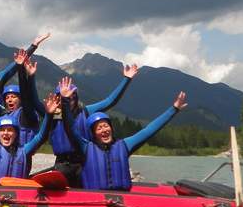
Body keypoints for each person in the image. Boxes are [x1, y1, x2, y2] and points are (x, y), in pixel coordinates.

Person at [58, 77, 187, 190]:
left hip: (122, 200)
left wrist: (173, 109)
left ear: (111, 128)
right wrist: (64, 100)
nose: (104, 130)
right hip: (95, 202)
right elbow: (70, 128)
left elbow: (149, 130)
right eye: (99, 128)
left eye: (106, 126)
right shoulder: (86, 148)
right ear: (93, 133)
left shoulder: (124, 145)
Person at [44, 63, 140, 187]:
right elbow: (31, 101)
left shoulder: (86, 111)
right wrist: (29, 76)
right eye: (65, 96)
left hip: (84, 162)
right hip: (62, 163)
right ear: (58, 99)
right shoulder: (51, 114)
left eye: (73, 95)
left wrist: (126, 79)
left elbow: (110, 101)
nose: (70, 98)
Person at [0, 84, 60, 185]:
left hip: (17, 194)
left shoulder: (23, 150)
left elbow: (40, 137)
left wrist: (49, 115)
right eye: (2, 130)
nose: (6, 133)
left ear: (16, 134)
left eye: (10, 130)